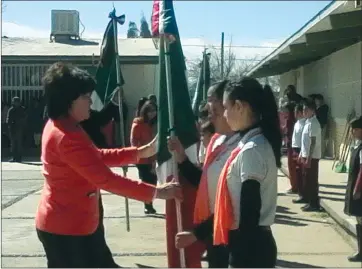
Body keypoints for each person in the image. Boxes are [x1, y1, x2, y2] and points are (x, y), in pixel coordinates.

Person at [36, 62, 182, 268]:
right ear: (68, 101)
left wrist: (142, 151)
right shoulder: (65, 135)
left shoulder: (66, 126)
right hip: (67, 230)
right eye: (86, 97)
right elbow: (106, 179)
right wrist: (157, 193)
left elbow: (95, 157)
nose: (90, 102)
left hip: (77, 225)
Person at [175, 78, 281, 268]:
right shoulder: (250, 143)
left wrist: (239, 259)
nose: (223, 114)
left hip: (249, 247)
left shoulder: (251, 150)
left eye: (225, 108)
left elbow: (248, 213)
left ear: (239, 106)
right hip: (249, 243)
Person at [169, 80, 241, 268]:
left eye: (213, 102)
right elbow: (204, 182)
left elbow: (232, 204)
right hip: (215, 231)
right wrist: (182, 159)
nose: (209, 110)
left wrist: (196, 234)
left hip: (233, 234)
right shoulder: (217, 141)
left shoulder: (243, 147)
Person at [80, 100, 120, 268]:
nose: (90, 101)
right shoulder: (70, 129)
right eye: (85, 97)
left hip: (91, 180)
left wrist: (114, 104)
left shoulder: (85, 118)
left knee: (96, 217)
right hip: (81, 182)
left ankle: (99, 258)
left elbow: (103, 117)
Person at [130, 100, 158, 214]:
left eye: (154, 111)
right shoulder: (138, 124)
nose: (153, 113)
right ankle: (147, 205)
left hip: (150, 157)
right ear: (145, 112)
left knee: (152, 181)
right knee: (147, 182)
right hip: (142, 159)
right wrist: (143, 151)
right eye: (150, 111)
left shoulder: (149, 125)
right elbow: (134, 142)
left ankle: (149, 203)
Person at [298, 99, 322, 211]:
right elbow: (304, 141)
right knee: (306, 179)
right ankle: (307, 199)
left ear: (312, 110)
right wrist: (301, 153)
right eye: (303, 110)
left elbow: (313, 142)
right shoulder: (307, 122)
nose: (304, 112)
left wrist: (309, 158)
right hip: (305, 154)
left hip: (311, 157)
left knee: (312, 180)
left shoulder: (314, 123)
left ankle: (314, 203)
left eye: (306, 110)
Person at [344, 116, 362, 262]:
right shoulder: (357, 145)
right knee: (359, 219)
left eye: (354, 130)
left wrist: (357, 189)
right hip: (355, 186)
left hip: (359, 190)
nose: (352, 132)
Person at [291, 104, 306, 203]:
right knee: (297, 173)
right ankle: (300, 193)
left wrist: (301, 152)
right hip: (295, 150)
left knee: (302, 174)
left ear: (300, 112)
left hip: (300, 150)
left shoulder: (305, 124)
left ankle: (303, 195)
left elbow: (304, 140)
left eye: (296, 112)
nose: (295, 114)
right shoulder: (297, 123)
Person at [6, 96, 26, 162]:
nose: (16, 103)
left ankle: (19, 158)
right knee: (13, 144)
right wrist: (9, 124)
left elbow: (25, 118)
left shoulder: (22, 109)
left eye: (17, 102)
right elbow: (8, 119)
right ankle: (14, 157)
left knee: (19, 144)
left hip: (20, 128)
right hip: (12, 128)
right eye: (14, 101)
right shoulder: (11, 110)